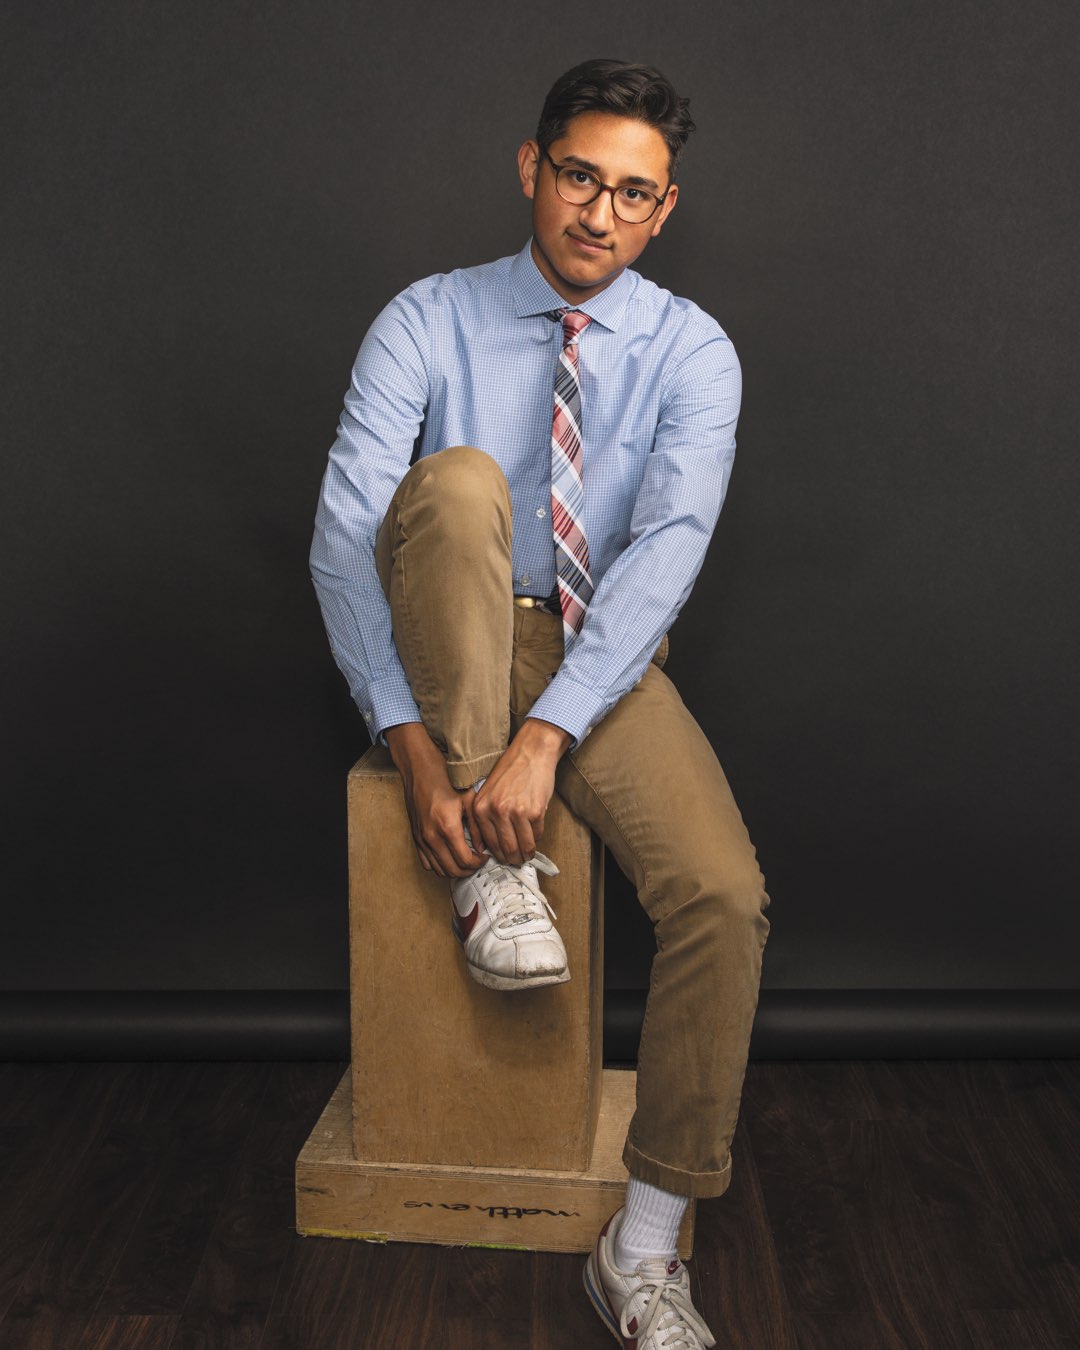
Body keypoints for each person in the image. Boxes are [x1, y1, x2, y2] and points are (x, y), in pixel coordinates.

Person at [310, 57, 772, 1350]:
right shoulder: (429, 316)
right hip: (444, 624)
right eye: (579, 176)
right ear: (533, 168)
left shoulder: (693, 351)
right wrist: (416, 749)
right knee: (460, 480)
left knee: (723, 896)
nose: (599, 214)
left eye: (633, 193)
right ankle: (488, 878)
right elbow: (344, 539)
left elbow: (665, 553)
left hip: (593, 649)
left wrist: (550, 732)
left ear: (664, 209)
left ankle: (644, 1245)